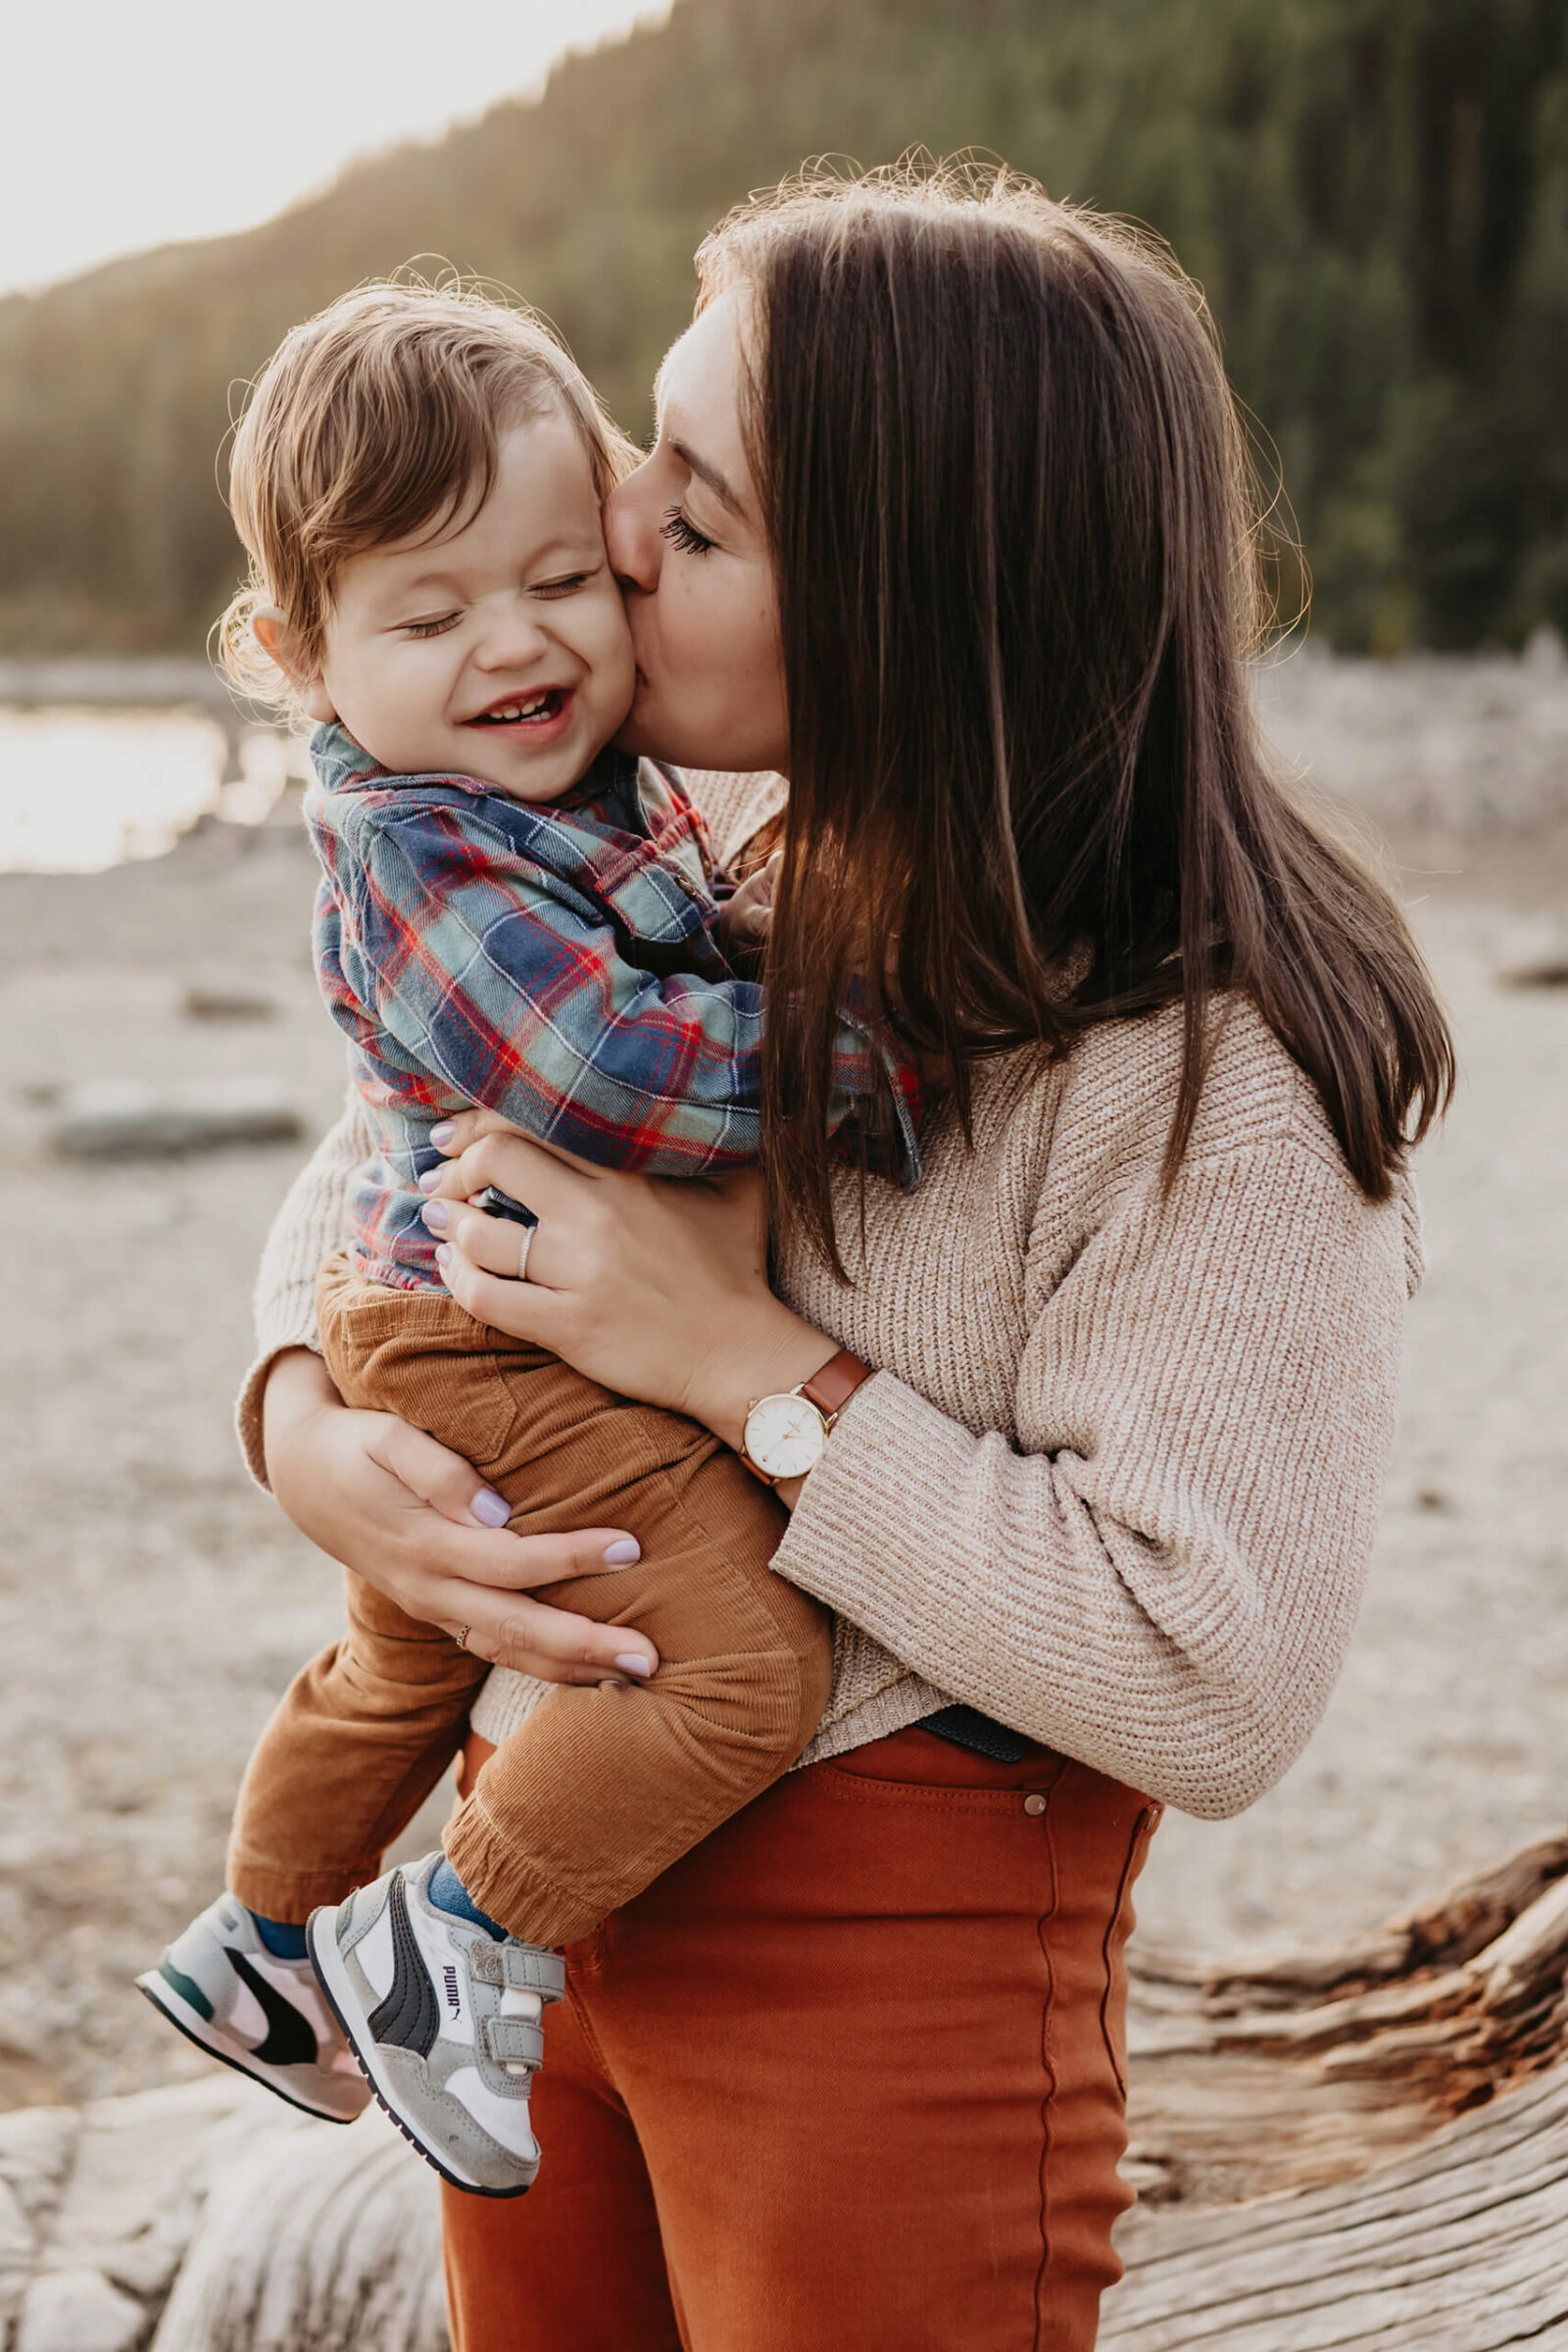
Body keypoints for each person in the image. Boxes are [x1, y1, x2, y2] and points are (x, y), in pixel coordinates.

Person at [238, 165, 1453, 2349]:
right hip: (527, 1892)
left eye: (685, 523)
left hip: (884, 1957)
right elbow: (388, 1144)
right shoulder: (742, 871)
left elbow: (1208, 1676)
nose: (610, 557)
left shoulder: (1211, 1063)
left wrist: (753, 1377)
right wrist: (311, 1427)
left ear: (911, 592)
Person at [136, 282, 922, 2198]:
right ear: (297, 656)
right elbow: (612, 1075)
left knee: (407, 1652)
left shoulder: (578, 788)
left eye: (560, 577)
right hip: (477, 1330)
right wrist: (859, 1055)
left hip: (444, 1300)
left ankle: (258, 1941)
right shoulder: (420, 847)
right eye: (428, 615)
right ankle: (460, 1937)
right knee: (731, 1654)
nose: (515, 643)